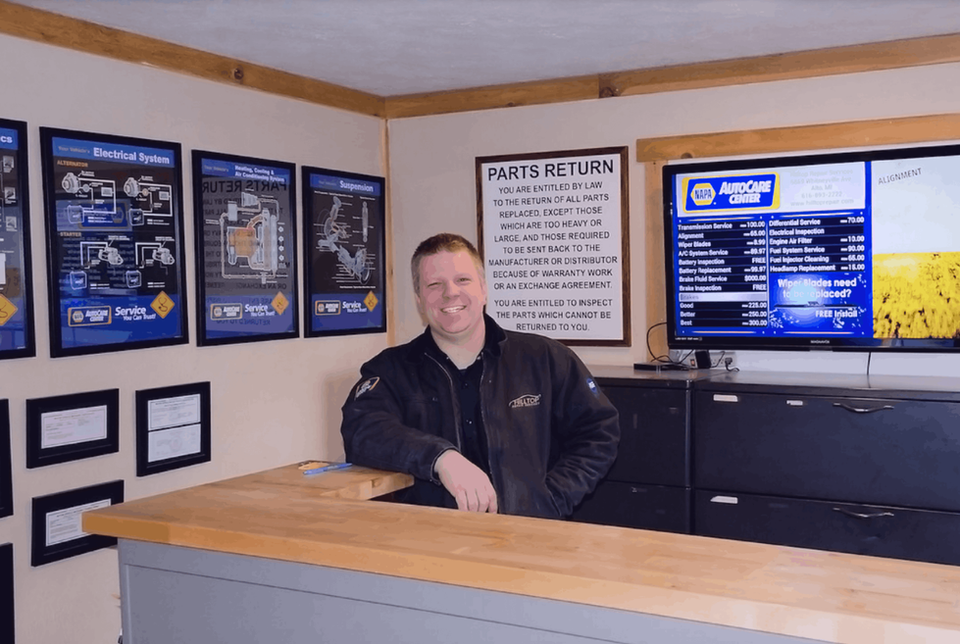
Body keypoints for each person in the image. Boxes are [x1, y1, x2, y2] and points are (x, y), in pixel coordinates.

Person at [340, 233, 619, 518]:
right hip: (430, 544)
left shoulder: (544, 358)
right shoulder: (390, 370)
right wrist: (441, 458)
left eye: (463, 280)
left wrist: (552, 499)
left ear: (484, 289)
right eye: (435, 284)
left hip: (528, 539)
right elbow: (362, 430)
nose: (450, 293)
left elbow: (599, 431)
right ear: (419, 300)